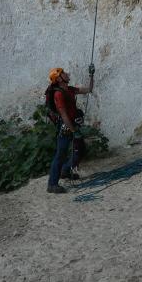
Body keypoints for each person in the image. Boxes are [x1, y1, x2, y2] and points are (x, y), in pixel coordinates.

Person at [46, 65, 95, 194]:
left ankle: (66, 171)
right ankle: (52, 184)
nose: (67, 74)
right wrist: (73, 130)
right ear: (60, 79)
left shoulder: (69, 89)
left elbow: (89, 89)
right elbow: (63, 114)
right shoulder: (58, 94)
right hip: (66, 126)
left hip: (72, 125)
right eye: (64, 73)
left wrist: (91, 75)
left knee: (80, 149)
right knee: (61, 154)